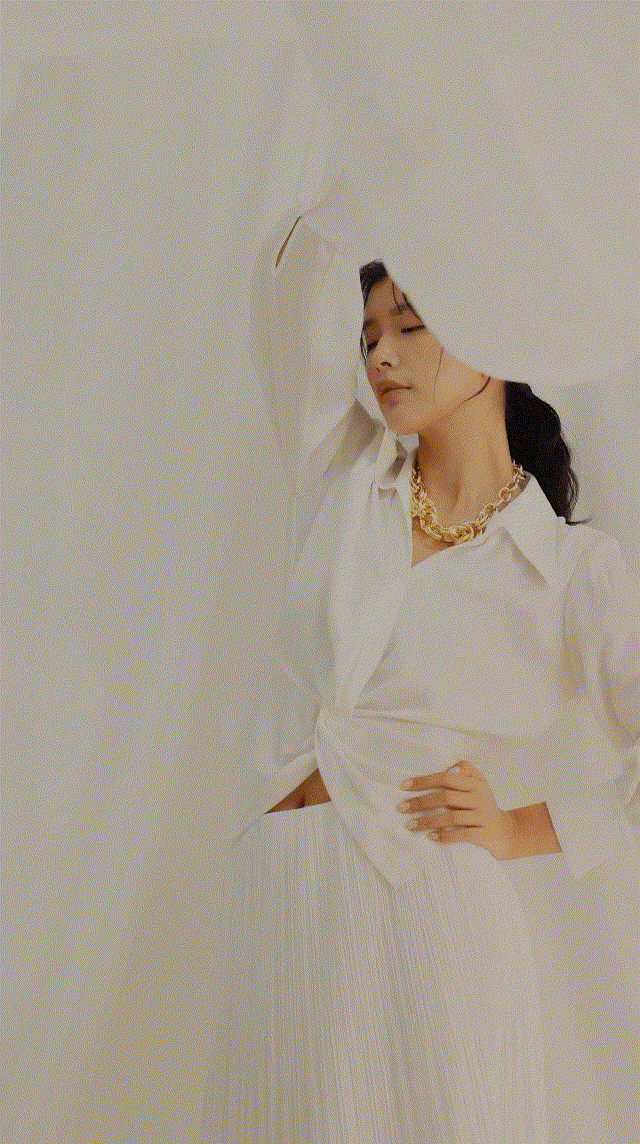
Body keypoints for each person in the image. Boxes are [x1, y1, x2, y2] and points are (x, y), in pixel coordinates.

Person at [200, 198, 639, 1144]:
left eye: (410, 324)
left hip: (430, 925)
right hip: (276, 901)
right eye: (368, 335)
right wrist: (388, 168)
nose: (380, 356)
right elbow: (292, 275)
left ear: (493, 338)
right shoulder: (339, 469)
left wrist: (521, 828)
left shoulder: (570, 572)